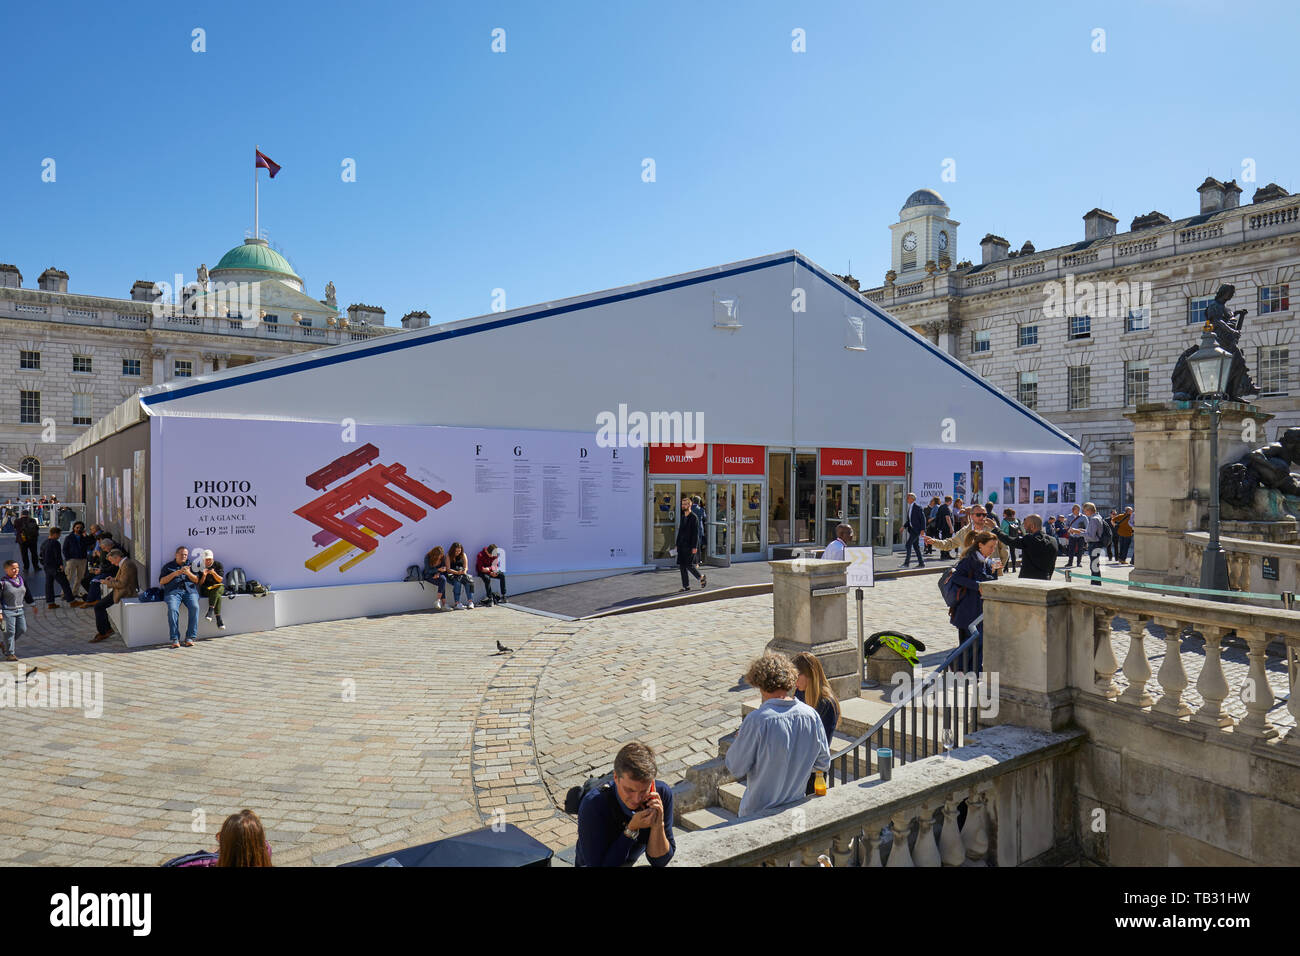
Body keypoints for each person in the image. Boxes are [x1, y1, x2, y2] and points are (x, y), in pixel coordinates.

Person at [724, 653, 830, 817]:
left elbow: (735, 767)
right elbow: (823, 763)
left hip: (758, 815)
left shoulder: (757, 721)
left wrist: (741, 741)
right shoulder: (811, 715)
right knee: (799, 842)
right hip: (797, 810)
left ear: (759, 683)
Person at [574, 742, 675, 867]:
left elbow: (660, 861)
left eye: (644, 790)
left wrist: (658, 825)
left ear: (652, 783)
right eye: (630, 790)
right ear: (616, 777)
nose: (636, 799)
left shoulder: (661, 794)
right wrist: (631, 831)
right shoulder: (594, 805)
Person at [948, 531, 1000, 672]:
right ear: (980, 545)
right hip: (968, 608)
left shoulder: (987, 561)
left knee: (979, 642)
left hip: (980, 609)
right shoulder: (968, 560)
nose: (992, 550)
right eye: (990, 546)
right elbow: (957, 578)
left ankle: (974, 669)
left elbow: (989, 582)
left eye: (994, 547)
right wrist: (977, 586)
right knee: (972, 641)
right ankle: (955, 664)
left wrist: (994, 571)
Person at [793, 651, 840, 794]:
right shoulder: (800, 693)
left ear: (809, 674)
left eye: (796, 676)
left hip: (814, 772)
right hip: (798, 768)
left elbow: (820, 743)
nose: (793, 682)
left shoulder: (826, 703)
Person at [922, 504, 1009, 569]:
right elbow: (949, 543)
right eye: (979, 515)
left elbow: (1004, 549)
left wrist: (997, 568)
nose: (982, 517)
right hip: (970, 571)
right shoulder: (964, 531)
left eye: (984, 515)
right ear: (971, 516)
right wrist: (934, 541)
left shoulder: (992, 530)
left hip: (991, 571)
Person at [990, 514, 1059, 580]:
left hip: (1028, 581)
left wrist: (996, 528)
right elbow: (1052, 564)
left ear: (1032, 526)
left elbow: (1010, 540)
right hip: (1045, 578)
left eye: (1025, 524)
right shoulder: (1053, 540)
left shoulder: (1029, 539)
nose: (1024, 527)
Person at [91, 549, 139, 643]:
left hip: (125, 592)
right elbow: (123, 580)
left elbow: (122, 584)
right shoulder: (125, 563)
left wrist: (107, 582)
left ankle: (104, 632)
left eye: (111, 560)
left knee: (98, 606)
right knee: (99, 606)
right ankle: (106, 630)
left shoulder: (127, 565)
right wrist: (113, 579)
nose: (111, 563)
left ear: (117, 557)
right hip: (121, 590)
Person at [159, 545, 201, 648]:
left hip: (189, 591)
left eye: (185, 555)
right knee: (173, 609)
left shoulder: (192, 565)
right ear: (176, 555)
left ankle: (190, 637)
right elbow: (161, 581)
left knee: (195, 607)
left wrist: (188, 573)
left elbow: (196, 580)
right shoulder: (168, 566)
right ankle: (175, 638)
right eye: (182, 554)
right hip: (173, 592)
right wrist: (175, 574)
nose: (184, 556)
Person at [1, 559, 37, 662]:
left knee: (22, 629)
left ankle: (4, 644)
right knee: (9, 632)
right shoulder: (3, 583)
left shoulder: (21, 580)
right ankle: (10, 654)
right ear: (6, 570)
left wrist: (32, 604)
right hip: (6, 612)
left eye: (17, 568)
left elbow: (27, 593)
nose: (16, 570)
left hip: (19, 610)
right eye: (13, 568)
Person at [674, 496, 706, 592]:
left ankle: (701, 577)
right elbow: (680, 532)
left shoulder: (694, 517)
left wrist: (694, 547)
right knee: (682, 566)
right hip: (681, 545)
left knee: (689, 564)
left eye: (685, 504)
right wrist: (677, 544)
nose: (683, 506)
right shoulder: (683, 517)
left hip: (689, 545)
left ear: (689, 505)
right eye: (682, 504)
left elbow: (695, 534)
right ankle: (686, 586)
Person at [40, 527, 75, 608]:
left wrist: (44, 564)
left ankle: (50, 602)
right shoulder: (55, 543)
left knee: (49, 584)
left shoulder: (44, 543)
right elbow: (58, 556)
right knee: (64, 583)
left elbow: (41, 556)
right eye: (59, 534)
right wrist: (61, 565)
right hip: (55, 567)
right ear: (55, 534)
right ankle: (71, 601)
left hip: (47, 566)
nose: (59, 536)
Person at [62, 521, 91, 602]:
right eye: (77, 527)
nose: (79, 529)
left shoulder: (84, 537)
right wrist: (68, 558)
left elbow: (89, 543)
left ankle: (75, 593)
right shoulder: (69, 537)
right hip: (72, 560)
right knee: (68, 577)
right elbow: (65, 549)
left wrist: (85, 537)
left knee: (80, 577)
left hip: (82, 559)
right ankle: (64, 594)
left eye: (80, 528)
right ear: (73, 528)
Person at [197, 550, 226, 629]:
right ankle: (218, 618)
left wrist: (214, 573)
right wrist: (204, 575)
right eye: (206, 559)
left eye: (210, 559)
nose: (208, 561)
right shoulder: (200, 566)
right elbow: (200, 584)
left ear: (212, 559)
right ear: (203, 559)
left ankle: (210, 611)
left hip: (217, 587)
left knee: (219, 588)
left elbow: (220, 580)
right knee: (217, 595)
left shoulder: (218, 565)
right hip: (206, 589)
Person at [445, 542, 476, 609]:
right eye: (456, 551)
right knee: (457, 582)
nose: (458, 552)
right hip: (452, 574)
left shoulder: (463, 555)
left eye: (459, 551)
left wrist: (464, 572)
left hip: (461, 573)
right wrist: (457, 572)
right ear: (453, 550)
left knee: (469, 582)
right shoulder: (448, 555)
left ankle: (470, 602)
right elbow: (448, 569)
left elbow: (466, 567)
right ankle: (457, 603)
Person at [1081, 502, 1105, 587]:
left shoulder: (1094, 519)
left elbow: (1091, 536)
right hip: (1097, 544)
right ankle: (1096, 583)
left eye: (1085, 511)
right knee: (1095, 566)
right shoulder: (1098, 517)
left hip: (1094, 545)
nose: (1084, 513)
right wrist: (1083, 531)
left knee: (1094, 566)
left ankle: (1095, 585)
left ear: (1089, 510)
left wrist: (1079, 533)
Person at [902, 492, 926, 569]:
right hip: (912, 530)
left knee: (908, 545)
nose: (906, 499)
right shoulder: (910, 507)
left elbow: (923, 519)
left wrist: (922, 529)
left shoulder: (917, 507)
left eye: (908, 497)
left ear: (912, 499)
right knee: (916, 547)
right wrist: (904, 526)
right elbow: (909, 520)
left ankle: (906, 563)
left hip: (916, 530)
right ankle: (921, 563)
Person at [422, 545, 449, 610]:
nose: (440, 558)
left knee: (443, 580)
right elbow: (428, 570)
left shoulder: (442, 558)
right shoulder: (427, 557)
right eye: (438, 556)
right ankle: (444, 604)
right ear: (434, 555)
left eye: (441, 556)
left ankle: (438, 601)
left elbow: (444, 567)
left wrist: (438, 573)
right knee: (442, 582)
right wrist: (437, 570)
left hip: (439, 574)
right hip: (429, 575)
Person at [691, 495, 708, 567]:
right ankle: (698, 560)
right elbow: (705, 517)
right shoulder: (701, 509)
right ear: (699, 502)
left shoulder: (689, 509)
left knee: (692, 545)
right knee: (698, 545)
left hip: (691, 528)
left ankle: (692, 559)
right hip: (699, 529)